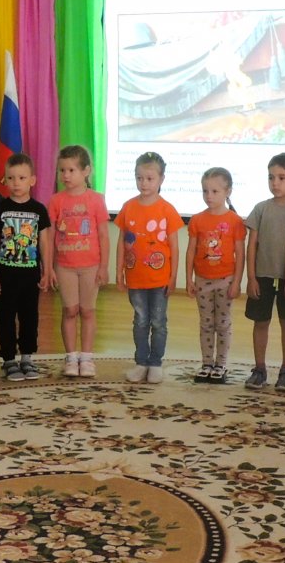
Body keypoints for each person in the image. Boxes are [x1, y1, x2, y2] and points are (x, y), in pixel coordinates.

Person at [115, 152, 182, 384]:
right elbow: (121, 243)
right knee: (140, 321)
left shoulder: (167, 210)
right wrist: (118, 272)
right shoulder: (128, 207)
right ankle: (141, 362)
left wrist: (173, 276)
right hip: (135, 279)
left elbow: (174, 247)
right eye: (139, 178)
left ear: (161, 179)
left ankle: (155, 363)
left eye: (150, 178)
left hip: (160, 280)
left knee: (158, 322)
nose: (144, 183)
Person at [0, 154, 53, 381]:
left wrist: (47, 270)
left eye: (22, 178)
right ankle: (8, 359)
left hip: (30, 276)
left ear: (32, 180)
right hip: (5, 275)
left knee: (29, 316)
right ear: (5, 180)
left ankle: (27, 356)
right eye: (11, 178)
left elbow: (44, 242)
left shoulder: (39, 210)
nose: (16, 183)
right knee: (5, 316)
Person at [49, 145, 110, 378]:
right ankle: (71, 357)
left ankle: (86, 357)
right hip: (64, 266)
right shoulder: (56, 200)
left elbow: (103, 235)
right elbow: (51, 236)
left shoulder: (96, 200)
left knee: (87, 311)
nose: (66, 175)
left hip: (90, 266)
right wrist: (49, 267)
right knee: (70, 310)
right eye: (62, 170)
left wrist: (103, 267)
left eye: (71, 170)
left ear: (86, 171)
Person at [244, 153, 285, 390]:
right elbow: (252, 245)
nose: (275, 183)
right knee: (261, 322)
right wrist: (251, 277)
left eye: (282, 177)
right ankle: (259, 369)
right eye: (271, 177)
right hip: (262, 277)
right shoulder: (261, 209)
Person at [185, 167, 246, 384]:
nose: (209, 196)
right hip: (203, 280)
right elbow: (191, 251)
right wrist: (189, 279)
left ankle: (221, 364)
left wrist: (237, 282)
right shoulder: (197, 220)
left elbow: (240, 254)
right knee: (206, 323)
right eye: (205, 191)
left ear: (227, 192)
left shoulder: (235, 221)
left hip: (226, 280)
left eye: (214, 191)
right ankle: (206, 364)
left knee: (223, 323)